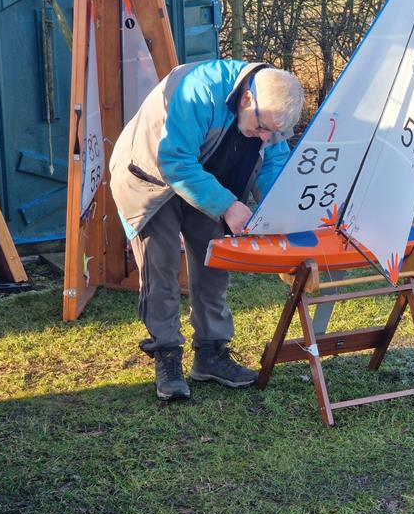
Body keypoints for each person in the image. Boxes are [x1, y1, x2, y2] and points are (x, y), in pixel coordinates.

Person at [109, 60, 304, 401]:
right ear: (246, 100)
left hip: (207, 178)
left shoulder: (268, 113)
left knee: (215, 261)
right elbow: (176, 163)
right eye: (261, 129)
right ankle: (167, 355)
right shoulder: (196, 91)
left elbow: (274, 163)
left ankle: (211, 353)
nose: (265, 138)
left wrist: (279, 214)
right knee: (162, 265)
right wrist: (228, 206)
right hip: (152, 176)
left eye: (273, 133)